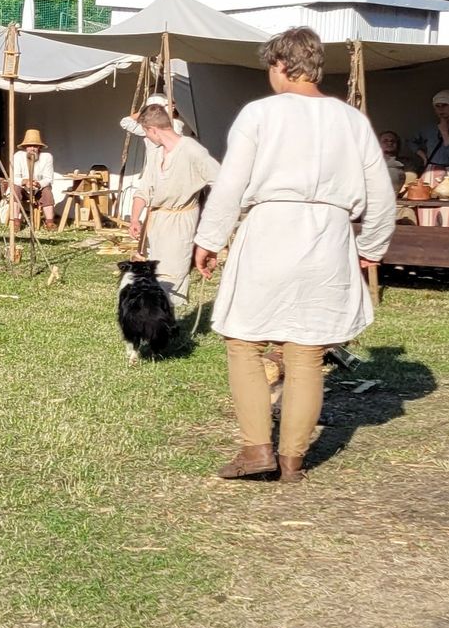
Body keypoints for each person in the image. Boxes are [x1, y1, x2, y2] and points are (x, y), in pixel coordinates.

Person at [192, 27, 395, 484]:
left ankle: (257, 448)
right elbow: (381, 195)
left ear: (281, 64)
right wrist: (371, 247)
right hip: (329, 237)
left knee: (244, 341)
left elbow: (231, 183)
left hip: (270, 232)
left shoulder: (260, 114)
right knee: (306, 353)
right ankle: (292, 462)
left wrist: (209, 238)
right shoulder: (351, 120)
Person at [127, 105, 220, 305]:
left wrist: (213, 221)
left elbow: (221, 183)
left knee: (173, 274)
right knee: (152, 272)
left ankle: (172, 320)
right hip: (155, 220)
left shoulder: (193, 150)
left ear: (153, 129)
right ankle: (152, 316)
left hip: (180, 219)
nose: (147, 137)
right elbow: (144, 190)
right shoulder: (156, 153)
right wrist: (135, 219)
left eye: (145, 132)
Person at [409, 95, 449, 226]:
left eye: (444, 105)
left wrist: (445, 133)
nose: (441, 110)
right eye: (437, 107)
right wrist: (422, 155)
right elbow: (410, 141)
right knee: (427, 207)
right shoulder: (428, 128)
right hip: (432, 171)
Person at [9, 129, 55, 230]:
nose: (32, 149)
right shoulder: (18, 156)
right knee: (15, 189)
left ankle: (50, 222)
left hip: (38, 188)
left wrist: (38, 184)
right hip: (23, 188)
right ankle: (16, 222)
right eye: (29, 146)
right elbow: (14, 177)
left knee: (47, 191)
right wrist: (25, 182)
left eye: (35, 146)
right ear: (25, 147)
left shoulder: (47, 157)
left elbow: (48, 178)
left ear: (39, 147)